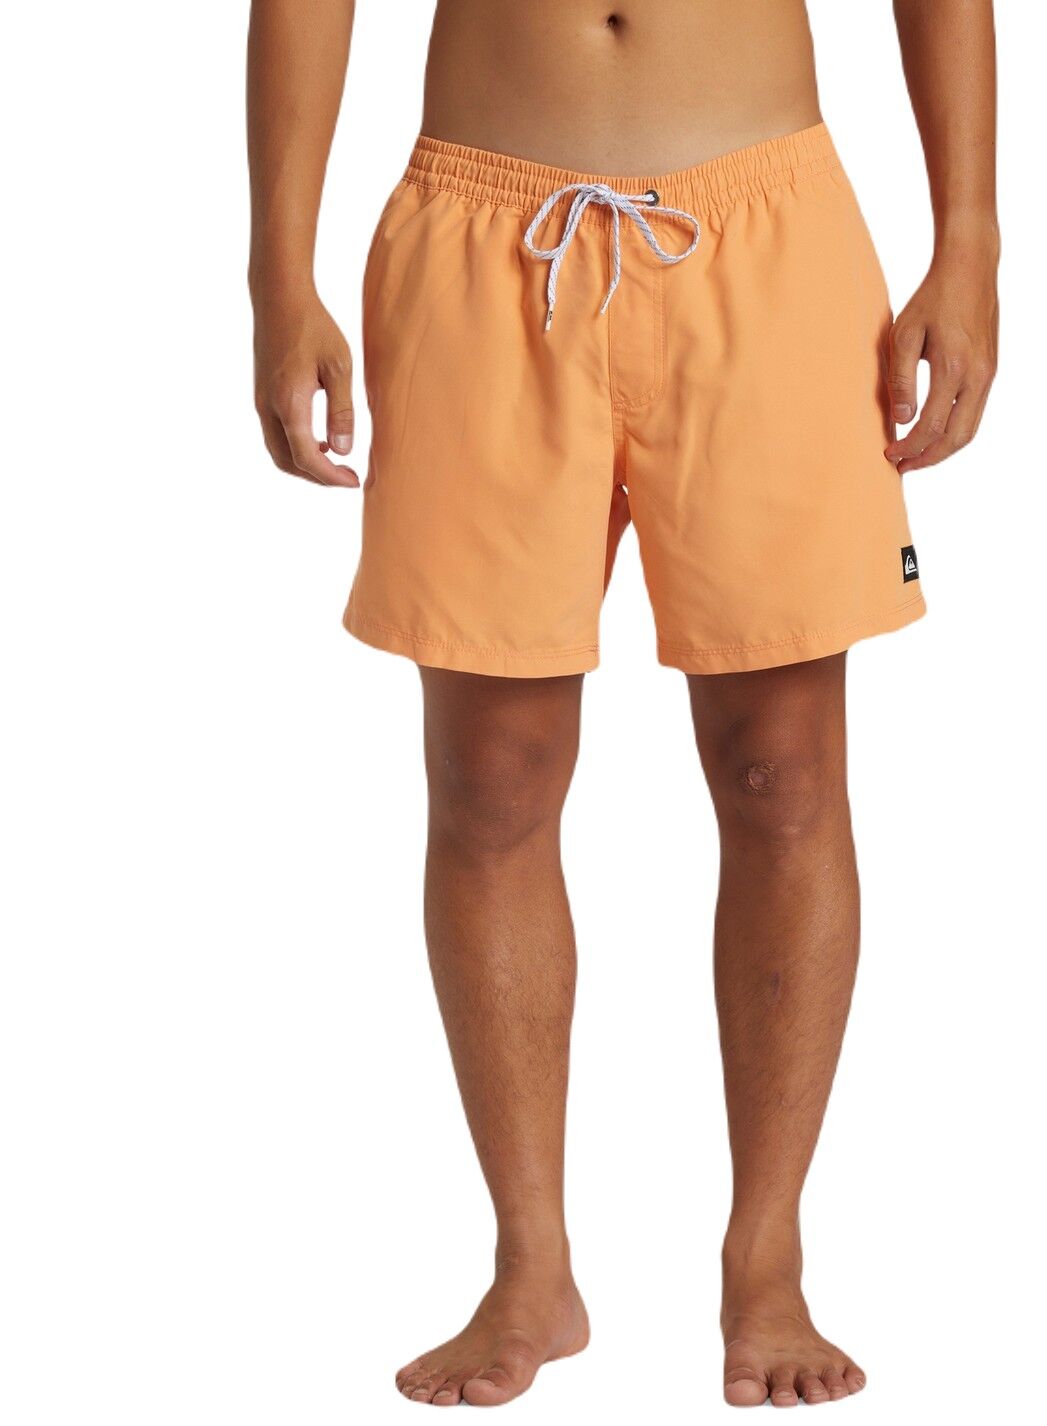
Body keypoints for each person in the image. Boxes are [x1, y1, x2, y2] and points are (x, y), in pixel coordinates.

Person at [247, 0, 998, 1407]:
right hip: (482, 230)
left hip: (762, 221)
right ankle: (530, 1265)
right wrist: (276, 275)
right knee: (491, 775)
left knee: (783, 766)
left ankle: (767, 1261)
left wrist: (971, 238)